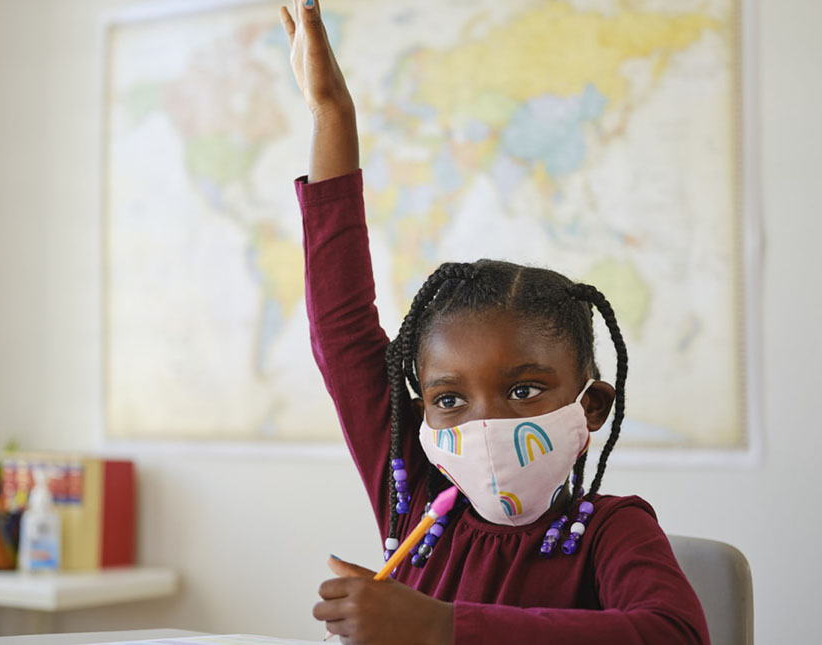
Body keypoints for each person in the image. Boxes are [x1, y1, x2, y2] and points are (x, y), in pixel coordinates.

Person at [279, 2, 710, 643]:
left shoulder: (611, 531)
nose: (485, 426)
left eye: (524, 390)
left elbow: (675, 635)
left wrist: (440, 626)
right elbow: (341, 327)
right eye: (449, 399)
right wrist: (330, 117)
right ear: (421, 411)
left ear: (590, 406)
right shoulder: (415, 506)